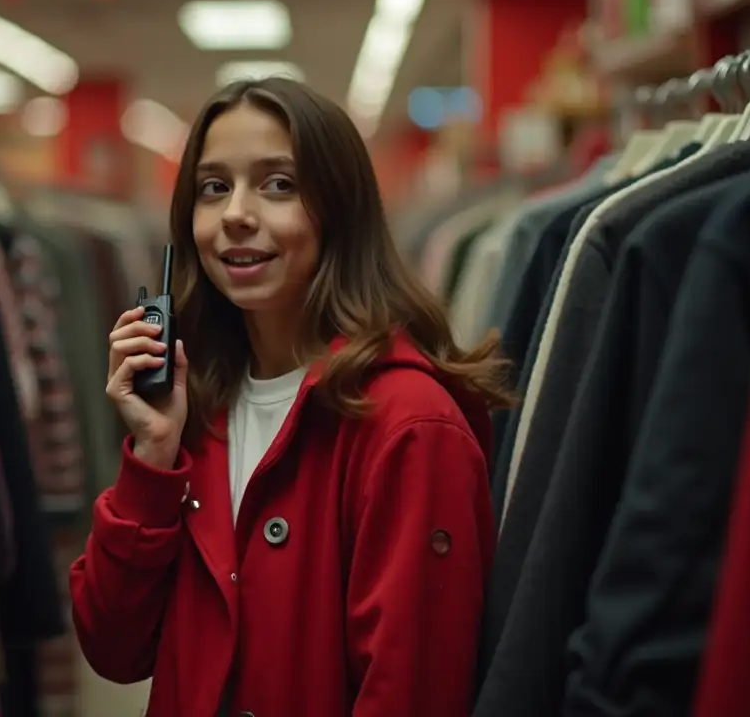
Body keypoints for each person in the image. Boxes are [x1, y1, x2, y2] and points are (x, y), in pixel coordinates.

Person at [68, 77, 515, 716]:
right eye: (213, 187)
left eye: (279, 184)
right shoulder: (197, 406)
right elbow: (113, 649)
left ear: (340, 210)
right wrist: (152, 455)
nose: (236, 214)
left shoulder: (408, 425)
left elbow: (411, 693)